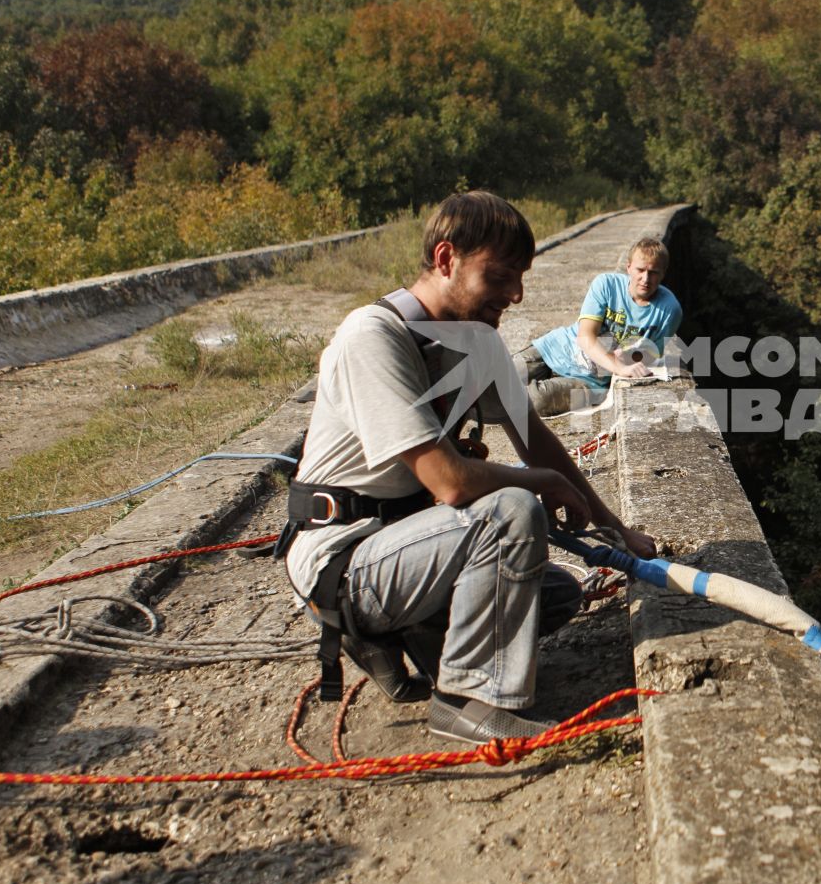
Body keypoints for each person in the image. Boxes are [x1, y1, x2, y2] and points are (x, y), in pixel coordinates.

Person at [280, 191, 657, 744]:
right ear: (446, 258)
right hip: (344, 557)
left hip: (401, 543)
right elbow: (449, 482)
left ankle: (410, 637)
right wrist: (544, 486)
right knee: (510, 512)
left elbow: (537, 443)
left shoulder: (475, 341)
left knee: (553, 596)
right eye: (501, 275)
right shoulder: (373, 336)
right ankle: (465, 701)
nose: (517, 294)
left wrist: (614, 528)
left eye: (521, 278)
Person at [517, 237, 683, 416]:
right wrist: (619, 366)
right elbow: (585, 337)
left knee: (535, 401)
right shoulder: (606, 284)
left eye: (654, 272)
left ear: (663, 274)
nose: (645, 278)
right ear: (629, 267)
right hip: (558, 349)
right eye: (640, 270)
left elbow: (650, 355)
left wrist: (631, 357)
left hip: (592, 381)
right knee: (501, 373)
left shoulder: (670, 310)